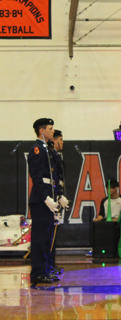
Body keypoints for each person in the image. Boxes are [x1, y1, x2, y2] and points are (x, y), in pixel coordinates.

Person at [28, 118, 66, 284]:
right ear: (41, 130)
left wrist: (59, 195)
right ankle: (38, 272)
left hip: (49, 198)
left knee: (47, 238)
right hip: (41, 200)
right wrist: (45, 198)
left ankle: (45, 269)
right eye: (50, 128)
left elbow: (53, 178)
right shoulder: (37, 149)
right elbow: (37, 177)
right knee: (40, 238)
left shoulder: (46, 149)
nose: (53, 131)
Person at [86, 179, 121, 256]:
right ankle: (95, 249)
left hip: (118, 222)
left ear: (116, 188)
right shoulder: (104, 200)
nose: (108, 190)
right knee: (97, 226)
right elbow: (101, 214)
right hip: (107, 222)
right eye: (107, 188)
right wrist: (98, 219)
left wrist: (117, 219)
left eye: (110, 188)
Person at [47, 129, 69, 275]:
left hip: (57, 194)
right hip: (51, 196)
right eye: (60, 140)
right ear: (54, 140)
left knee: (53, 234)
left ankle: (51, 264)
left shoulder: (56, 154)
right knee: (48, 235)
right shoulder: (49, 153)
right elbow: (53, 176)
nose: (62, 143)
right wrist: (59, 194)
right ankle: (46, 266)